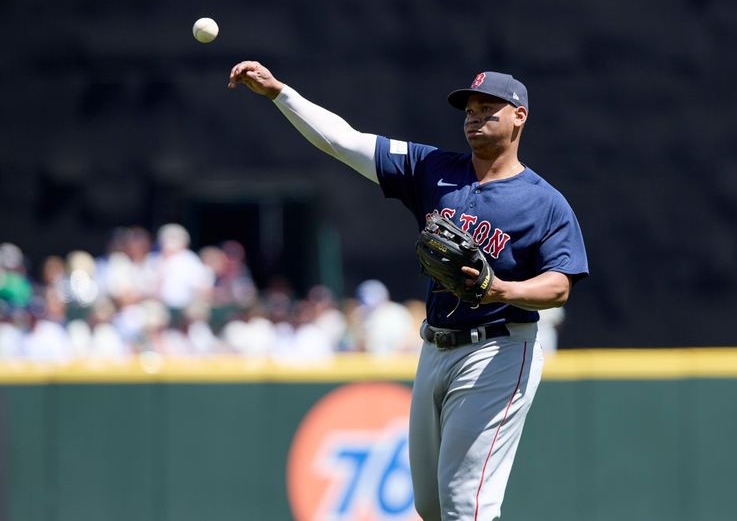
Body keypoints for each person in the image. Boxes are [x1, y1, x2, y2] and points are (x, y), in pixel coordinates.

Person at [228, 63, 589, 521]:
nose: (474, 117)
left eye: (488, 108)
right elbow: (344, 141)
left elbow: (560, 285)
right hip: (435, 346)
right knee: (432, 507)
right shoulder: (432, 167)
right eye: (469, 110)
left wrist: (502, 289)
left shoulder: (545, 202)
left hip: (498, 350)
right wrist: (281, 93)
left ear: (519, 116)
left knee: (466, 504)